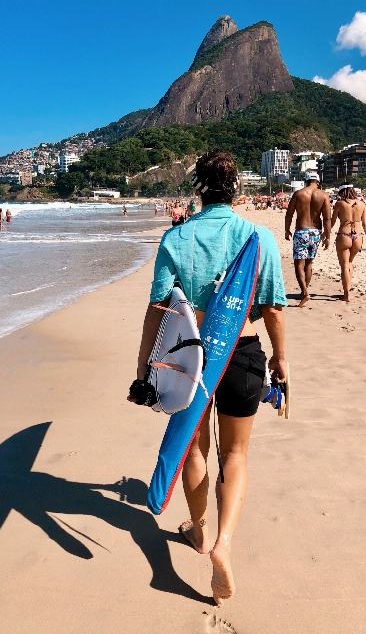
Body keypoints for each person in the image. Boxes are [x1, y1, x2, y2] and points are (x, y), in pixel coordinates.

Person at [128, 149, 287, 605]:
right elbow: (272, 308)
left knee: (195, 447)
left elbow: (159, 309)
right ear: (237, 189)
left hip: (189, 362)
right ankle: (224, 543)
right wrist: (282, 358)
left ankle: (197, 532)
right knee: (235, 454)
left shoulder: (176, 239)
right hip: (243, 352)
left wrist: (144, 367)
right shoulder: (257, 236)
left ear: (197, 188)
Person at [285, 172, 331, 307]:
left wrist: (287, 229)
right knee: (309, 264)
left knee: (299, 264)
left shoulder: (299, 194)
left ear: (306, 181)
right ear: (318, 182)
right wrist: (327, 236)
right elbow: (327, 218)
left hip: (301, 231)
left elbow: (289, 214)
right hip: (316, 232)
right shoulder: (323, 195)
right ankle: (304, 291)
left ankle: (304, 292)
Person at [330, 184, 366, 303]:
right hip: (358, 236)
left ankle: (347, 294)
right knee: (350, 262)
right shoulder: (361, 204)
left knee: (344, 265)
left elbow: (333, 221)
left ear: (342, 192)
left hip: (344, 235)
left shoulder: (340, 204)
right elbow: (365, 224)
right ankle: (348, 290)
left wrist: (326, 235)